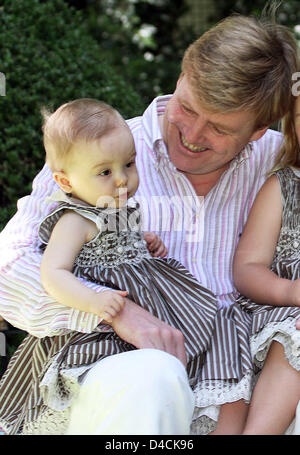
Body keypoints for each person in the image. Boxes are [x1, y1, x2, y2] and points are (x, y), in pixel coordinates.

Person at [0, 11, 299, 434]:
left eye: (217, 128)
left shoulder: (281, 165)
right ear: (181, 75)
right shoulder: (96, 156)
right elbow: (7, 271)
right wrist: (115, 312)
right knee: (153, 376)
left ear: (257, 131)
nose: (192, 133)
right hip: (124, 373)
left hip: (240, 385)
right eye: (187, 106)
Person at [0, 97, 218, 434]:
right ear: (65, 182)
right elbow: (52, 273)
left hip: (138, 325)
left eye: (128, 165)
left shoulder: (118, 210)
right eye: (105, 171)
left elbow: (119, 246)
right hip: (95, 332)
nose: (121, 180)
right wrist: (95, 302)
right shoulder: (74, 220)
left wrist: (144, 242)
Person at [231, 94, 300, 435]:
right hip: (283, 312)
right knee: (294, 336)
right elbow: (247, 267)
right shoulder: (283, 187)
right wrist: (288, 290)